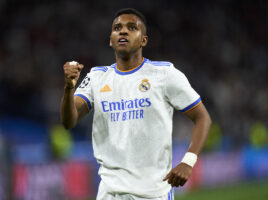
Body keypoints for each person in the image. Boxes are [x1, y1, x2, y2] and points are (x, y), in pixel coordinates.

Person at [61, 8, 211, 200]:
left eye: (132, 27)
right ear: (110, 40)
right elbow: (68, 121)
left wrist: (188, 161)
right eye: (117, 28)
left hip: (152, 194)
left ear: (144, 40)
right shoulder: (97, 77)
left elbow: (202, 118)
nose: (123, 31)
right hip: (109, 193)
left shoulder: (164, 74)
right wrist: (68, 89)